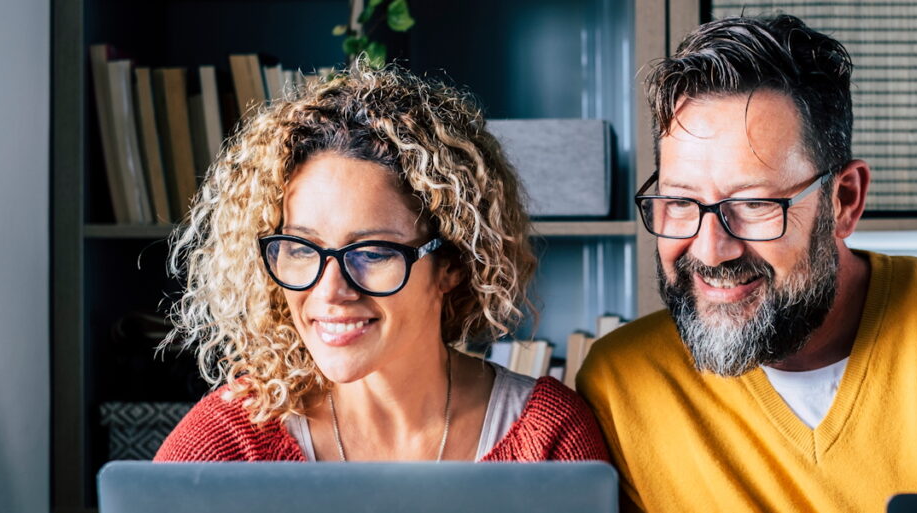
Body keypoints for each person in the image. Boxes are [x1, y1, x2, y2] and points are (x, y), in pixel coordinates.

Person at [576, 15, 917, 512]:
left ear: (844, 201)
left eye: (753, 205)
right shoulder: (621, 381)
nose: (709, 248)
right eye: (679, 203)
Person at [155, 63, 607, 463]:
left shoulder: (547, 436)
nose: (330, 291)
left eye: (371, 252)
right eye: (300, 248)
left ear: (450, 264)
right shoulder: (230, 441)